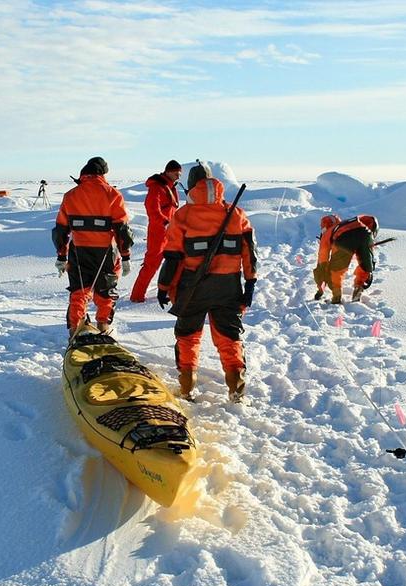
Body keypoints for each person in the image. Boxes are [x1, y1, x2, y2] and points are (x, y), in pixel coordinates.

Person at [156, 163, 256, 402]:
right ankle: (236, 389)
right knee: (229, 337)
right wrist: (250, 283)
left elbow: (172, 258)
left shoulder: (182, 216)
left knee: (188, 337)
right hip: (229, 287)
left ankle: (187, 388)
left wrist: (163, 288)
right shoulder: (236, 214)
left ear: (191, 187)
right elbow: (249, 253)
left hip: (193, 288)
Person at [52, 156, 135, 334]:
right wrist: (126, 256)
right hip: (106, 252)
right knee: (106, 291)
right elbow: (122, 230)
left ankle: (76, 330)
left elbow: (60, 230)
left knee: (79, 292)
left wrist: (61, 256)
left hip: (79, 251)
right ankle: (103, 327)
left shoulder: (70, 195)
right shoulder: (113, 194)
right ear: (103, 173)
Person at [129, 160, 182, 303]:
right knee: (151, 264)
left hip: (170, 232)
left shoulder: (169, 187)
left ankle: (170, 292)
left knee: (176, 263)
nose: (178, 177)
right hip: (158, 232)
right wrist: (165, 223)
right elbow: (152, 209)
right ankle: (137, 296)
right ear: (169, 172)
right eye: (177, 173)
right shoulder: (157, 188)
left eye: (180, 174)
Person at [318, 214, 378, 303]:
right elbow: (369, 220)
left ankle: (336, 296)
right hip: (365, 233)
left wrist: (320, 286)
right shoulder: (347, 223)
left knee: (336, 269)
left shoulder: (328, 233)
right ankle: (359, 287)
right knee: (365, 264)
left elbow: (322, 259)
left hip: (343, 238)